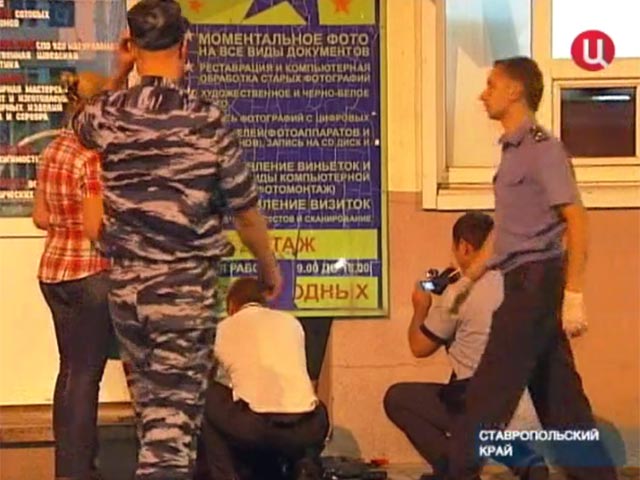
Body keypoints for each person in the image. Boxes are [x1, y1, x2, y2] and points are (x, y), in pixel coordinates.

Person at [71, 1, 282, 479]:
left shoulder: (110, 113)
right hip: (182, 293)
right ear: (186, 46)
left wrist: (116, 73)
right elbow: (245, 212)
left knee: (154, 421)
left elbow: (79, 125)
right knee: (171, 436)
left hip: (128, 293)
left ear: (133, 46)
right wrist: (268, 268)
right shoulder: (205, 120)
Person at [446, 57, 617, 480]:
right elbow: (504, 233)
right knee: (562, 404)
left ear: (515, 91)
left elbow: (576, 219)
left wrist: (574, 293)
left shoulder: (544, 149)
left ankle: (457, 473)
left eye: (491, 85)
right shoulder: (512, 154)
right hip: (522, 282)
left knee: (487, 396)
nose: (482, 94)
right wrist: (465, 282)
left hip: (535, 284)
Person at [384, 212, 547, 480]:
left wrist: (420, 307)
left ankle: (454, 470)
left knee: (399, 398)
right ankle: (525, 461)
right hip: (529, 399)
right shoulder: (520, 283)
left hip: (479, 401)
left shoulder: (460, 294)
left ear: (464, 247)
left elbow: (419, 347)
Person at [33, 71, 113, 480]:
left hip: (53, 272)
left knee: (69, 370)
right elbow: (95, 227)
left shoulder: (53, 149)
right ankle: (79, 470)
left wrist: (65, 223)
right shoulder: (91, 157)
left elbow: (39, 216)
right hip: (88, 273)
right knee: (86, 376)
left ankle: (66, 466)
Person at [195, 277, 330, 480]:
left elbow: (206, 373)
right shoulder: (292, 323)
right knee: (314, 403)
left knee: (204, 394)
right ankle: (306, 465)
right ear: (263, 301)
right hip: (308, 427)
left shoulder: (223, 328)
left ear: (232, 305)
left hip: (258, 428)